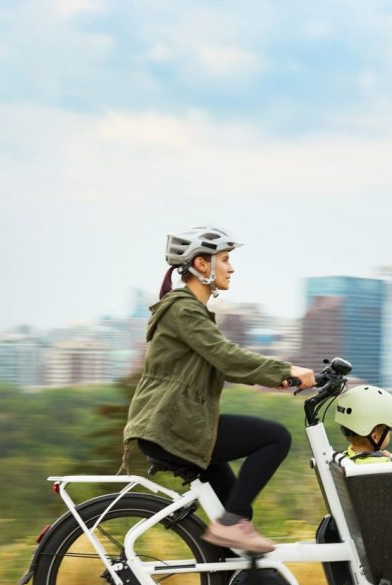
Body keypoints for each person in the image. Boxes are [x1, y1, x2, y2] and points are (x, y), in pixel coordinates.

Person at [124, 226, 316, 554]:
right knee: (275, 438)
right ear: (201, 265)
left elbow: (222, 363)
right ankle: (230, 527)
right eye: (225, 259)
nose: (231, 267)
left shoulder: (188, 310)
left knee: (237, 512)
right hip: (174, 426)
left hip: (175, 424)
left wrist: (280, 379)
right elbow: (226, 357)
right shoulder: (183, 308)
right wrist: (286, 370)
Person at [333, 385, 392, 464]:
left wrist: (382, 456)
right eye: (390, 430)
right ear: (374, 437)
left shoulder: (344, 458)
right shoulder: (384, 466)